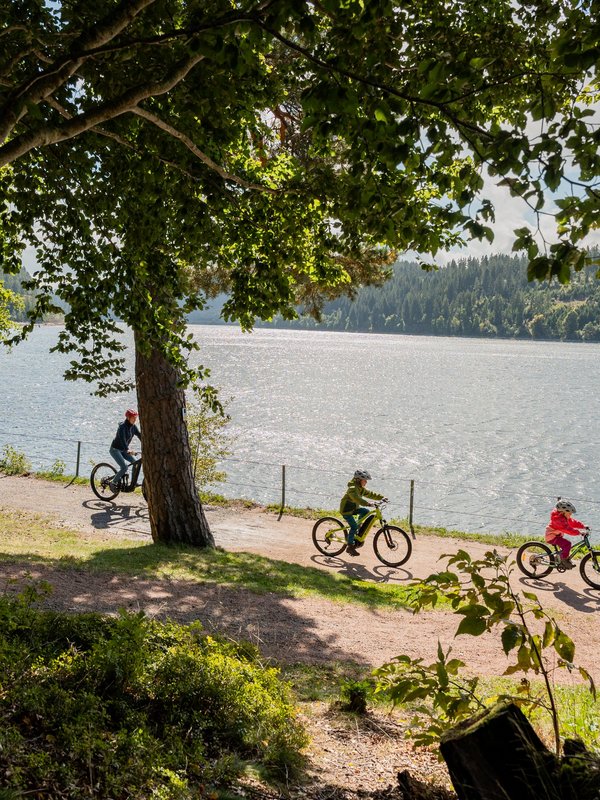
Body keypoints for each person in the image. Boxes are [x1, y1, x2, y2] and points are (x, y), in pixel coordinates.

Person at [339, 469, 387, 557]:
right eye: (365, 480)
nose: (366, 482)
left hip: (353, 509)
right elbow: (357, 499)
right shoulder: (352, 489)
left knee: (365, 512)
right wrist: (368, 503)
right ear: (358, 480)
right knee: (353, 527)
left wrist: (382, 497)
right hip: (346, 510)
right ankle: (350, 546)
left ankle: (358, 525)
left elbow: (370, 494)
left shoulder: (360, 488)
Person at [545, 499, 587, 569]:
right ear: (563, 512)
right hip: (551, 537)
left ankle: (558, 558)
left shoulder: (564, 518)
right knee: (567, 544)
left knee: (565, 547)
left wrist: (583, 526)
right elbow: (568, 530)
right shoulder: (559, 520)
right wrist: (579, 532)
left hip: (557, 536)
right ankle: (564, 561)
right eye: (570, 513)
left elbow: (572, 522)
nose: (570, 515)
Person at [109, 409, 141, 489]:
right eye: (133, 418)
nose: (135, 420)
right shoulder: (122, 427)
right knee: (124, 467)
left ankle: (133, 482)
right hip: (115, 449)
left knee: (135, 463)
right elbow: (122, 440)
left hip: (123, 450)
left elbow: (139, 435)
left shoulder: (133, 427)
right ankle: (113, 483)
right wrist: (128, 450)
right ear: (128, 418)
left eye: (135, 418)